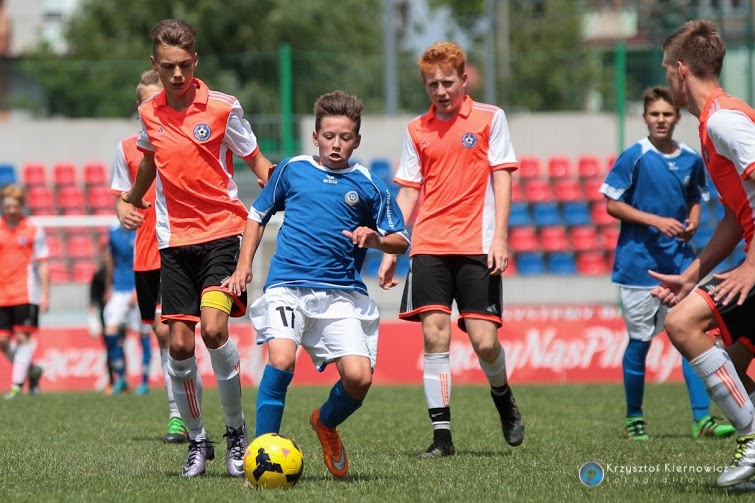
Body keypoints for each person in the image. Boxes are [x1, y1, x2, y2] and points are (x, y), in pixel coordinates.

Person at [224, 90, 409, 479]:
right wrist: (243, 266)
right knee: (281, 360)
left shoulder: (369, 185)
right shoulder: (292, 169)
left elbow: (400, 240)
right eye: (329, 136)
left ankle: (325, 422)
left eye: (345, 137)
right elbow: (256, 215)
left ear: (357, 140)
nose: (336, 144)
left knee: (359, 379)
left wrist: (375, 240)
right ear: (315, 137)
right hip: (287, 286)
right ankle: (261, 456)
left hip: (341, 294)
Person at [121, 18, 273, 478]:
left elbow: (257, 161)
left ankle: (235, 433)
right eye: (168, 66)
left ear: (196, 61)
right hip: (174, 241)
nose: (178, 75)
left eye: (185, 65)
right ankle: (197, 440)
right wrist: (132, 198)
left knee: (213, 329)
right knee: (179, 343)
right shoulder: (150, 112)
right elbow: (149, 161)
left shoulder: (224, 108)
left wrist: (284, 187)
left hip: (223, 234)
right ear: (155, 64)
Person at [377, 41, 524, 458]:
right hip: (429, 244)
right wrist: (391, 248)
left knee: (484, 342)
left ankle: (503, 398)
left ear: (464, 79)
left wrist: (500, 237)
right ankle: (442, 438)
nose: (440, 91)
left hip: (477, 245)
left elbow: (502, 177)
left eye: (447, 82)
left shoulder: (490, 118)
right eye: (432, 85)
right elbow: (408, 191)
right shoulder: (416, 130)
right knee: (434, 334)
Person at [651, 19, 755, 487]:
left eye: (665, 70)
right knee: (731, 365)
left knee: (682, 324)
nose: (666, 79)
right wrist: (692, 273)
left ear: (680, 70)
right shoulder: (712, 123)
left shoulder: (723, 121)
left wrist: (751, 267)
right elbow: (736, 216)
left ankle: (752, 441)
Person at [601, 85, 736, 441]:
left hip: (680, 266)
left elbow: (696, 197)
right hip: (638, 268)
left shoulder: (691, 157)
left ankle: (702, 420)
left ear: (677, 117)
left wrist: (693, 221)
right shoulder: (635, 156)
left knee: (692, 337)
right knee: (640, 342)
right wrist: (656, 221)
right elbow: (612, 203)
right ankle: (634, 417)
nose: (661, 120)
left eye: (667, 114)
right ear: (645, 118)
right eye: (654, 114)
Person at [111, 68, 188, 443]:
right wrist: (122, 211)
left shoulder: (184, 137)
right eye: (145, 101)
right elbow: (121, 197)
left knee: (178, 332)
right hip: (146, 253)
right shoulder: (127, 148)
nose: (151, 106)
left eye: (155, 99)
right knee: (162, 333)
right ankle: (179, 415)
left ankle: (187, 414)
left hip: (182, 245)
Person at [0, 184, 48, 399]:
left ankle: (17, 386)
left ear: (21, 205)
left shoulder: (33, 228)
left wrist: (46, 294)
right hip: (1, 293)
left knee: (22, 337)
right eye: (7, 206)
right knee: (2, 341)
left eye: (15, 206)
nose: (11, 211)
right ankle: (32, 371)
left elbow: (43, 263)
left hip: (25, 292)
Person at [101, 222, 153, 396]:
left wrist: (140, 288)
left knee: (143, 334)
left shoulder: (143, 227)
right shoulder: (113, 231)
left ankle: (144, 382)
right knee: (110, 332)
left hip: (140, 287)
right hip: (119, 289)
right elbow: (111, 260)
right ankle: (121, 377)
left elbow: (149, 258)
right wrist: (109, 286)